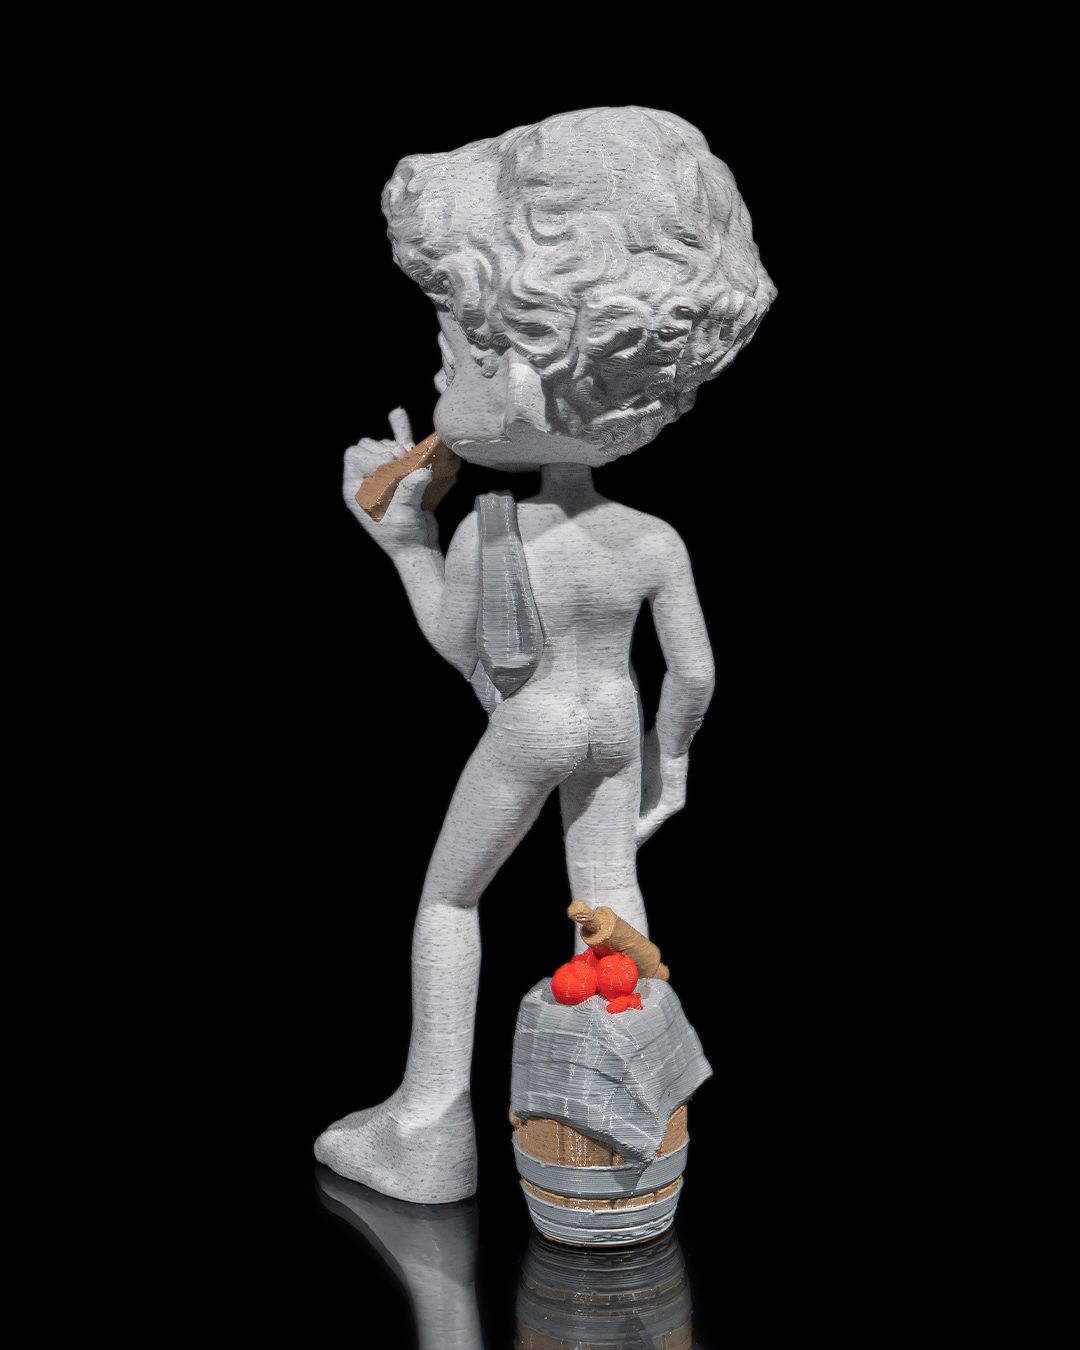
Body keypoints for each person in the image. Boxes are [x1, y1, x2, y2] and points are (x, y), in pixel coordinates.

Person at [315, 106, 774, 1202]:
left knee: (450, 902)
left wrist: (407, 548)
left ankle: (429, 1128)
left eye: (451, 351)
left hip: (534, 724)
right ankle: (627, 1135)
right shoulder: (650, 537)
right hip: (616, 719)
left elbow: (459, 646)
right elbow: (697, 673)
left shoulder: (493, 532)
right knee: (613, 904)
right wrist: (674, 762)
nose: (440, 372)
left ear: (515, 371)